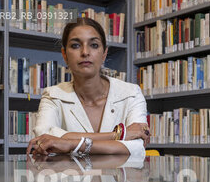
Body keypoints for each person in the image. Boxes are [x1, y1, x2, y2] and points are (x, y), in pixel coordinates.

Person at [26, 17, 150, 157]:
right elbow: (44, 139)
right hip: (68, 177)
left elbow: (136, 147)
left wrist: (71, 144)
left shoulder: (132, 93)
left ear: (104, 54)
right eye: (75, 45)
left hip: (119, 178)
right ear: (64, 55)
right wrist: (118, 135)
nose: (85, 52)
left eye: (94, 45)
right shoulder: (53, 95)